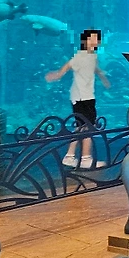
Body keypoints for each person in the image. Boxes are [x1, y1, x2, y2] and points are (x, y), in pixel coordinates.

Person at [46, 29, 111, 169]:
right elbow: (69, 64)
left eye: (96, 39)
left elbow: (95, 68)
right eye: (91, 39)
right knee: (88, 127)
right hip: (82, 97)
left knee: (81, 127)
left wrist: (103, 77)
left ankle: (69, 156)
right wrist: (58, 75)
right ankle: (86, 158)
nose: (94, 42)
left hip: (86, 96)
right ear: (84, 41)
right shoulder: (82, 55)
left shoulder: (91, 56)